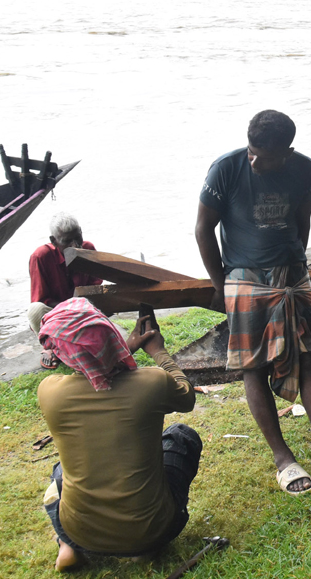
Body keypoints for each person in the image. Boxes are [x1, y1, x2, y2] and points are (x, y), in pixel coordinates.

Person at [194, 109, 311, 496]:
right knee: (253, 367)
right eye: (250, 151)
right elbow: (203, 231)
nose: (253, 160)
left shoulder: (303, 170)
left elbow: (303, 223)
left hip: (291, 274)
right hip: (244, 277)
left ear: (286, 152)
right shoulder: (225, 170)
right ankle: (283, 458)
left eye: (262, 156)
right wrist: (223, 286)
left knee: (310, 356)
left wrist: (292, 261)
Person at [36, 297, 201, 572]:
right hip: (154, 530)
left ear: (61, 352)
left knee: (60, 471)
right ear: (109, 332)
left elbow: (93, 373)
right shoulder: (152, 383)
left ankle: (67, 545)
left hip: (81, 532)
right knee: (181, 436)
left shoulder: (50, 391)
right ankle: (142, 548)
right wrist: (158, 352)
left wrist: (125, 350)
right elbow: (186, 397)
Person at [28, 213, 102, 368]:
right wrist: (72, 308)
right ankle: (49, 347)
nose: (75, 245)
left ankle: (85, 341)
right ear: (54, 241)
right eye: (67, 241)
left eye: (78, 238)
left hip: (86, 309)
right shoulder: (41, 257)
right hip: (58, 312)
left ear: (81, 232)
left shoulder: (88, 248)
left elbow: (96, 285)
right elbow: (42, 300)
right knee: (35, 310)